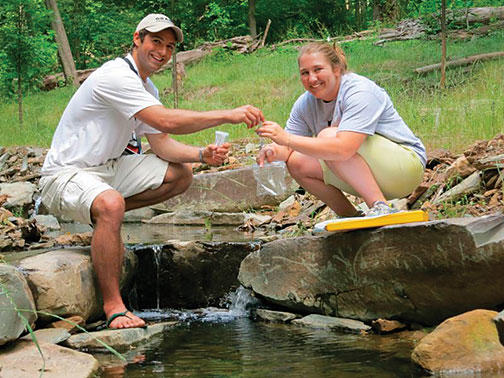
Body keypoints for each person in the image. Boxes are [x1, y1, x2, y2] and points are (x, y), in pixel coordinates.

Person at [40, 13, 264, 329]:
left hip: (108, 170)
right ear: (138, 39)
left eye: (170, 46)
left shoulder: (148, 89)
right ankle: (114, 307)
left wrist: (202, 155)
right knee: (111, 203)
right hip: (65, 175)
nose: (162, 51)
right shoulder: (115, 76)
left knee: (181, 173)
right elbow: (166, 121)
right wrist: (228, 114)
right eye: (156, 41)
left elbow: (163, 147)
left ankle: (106, 216)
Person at [256, 42, 426, 217]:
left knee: (328, 137)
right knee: (296, 162)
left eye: (318, 70)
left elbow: (343, 149)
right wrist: (274, 150)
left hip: (406, 168)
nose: (312, 78)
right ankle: (349, 216)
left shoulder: (358, 90)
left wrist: (287, 139)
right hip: (372, 174)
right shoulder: (304, 104)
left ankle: (380, 206)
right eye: (305, 73)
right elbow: (288, 148)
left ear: (336, 69)